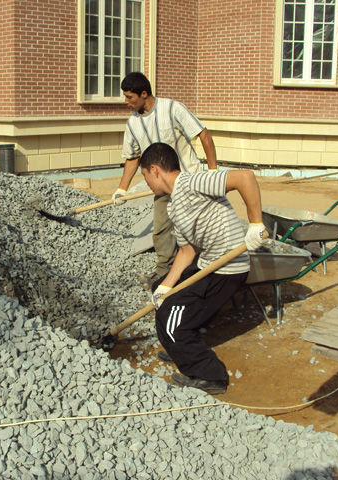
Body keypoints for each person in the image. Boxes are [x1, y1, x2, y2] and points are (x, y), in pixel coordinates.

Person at [138, 142, 266, 395]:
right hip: (208, 263)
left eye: (145, 176)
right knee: (160, 289)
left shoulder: (192, 182)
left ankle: (210, 375)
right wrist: (165, 287)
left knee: (173, 320)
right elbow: (187, 252)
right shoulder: (174, 206)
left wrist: (256, 224)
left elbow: (245, 178)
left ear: (155, 170)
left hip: (227, 268)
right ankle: (178, 347)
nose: (147, 183)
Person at [113, 72, 218, 288]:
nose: (126, 101)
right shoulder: (133, 123)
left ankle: (205, 269)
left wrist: (212, 170)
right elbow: (132, 157)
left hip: (188, 181)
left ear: (144, 94)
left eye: (129, 97)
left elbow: (203, 134)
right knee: (161, 228)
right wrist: (122, 189)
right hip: (161, 187)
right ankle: (164, 272)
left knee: (195, 228)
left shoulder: (172, 109)